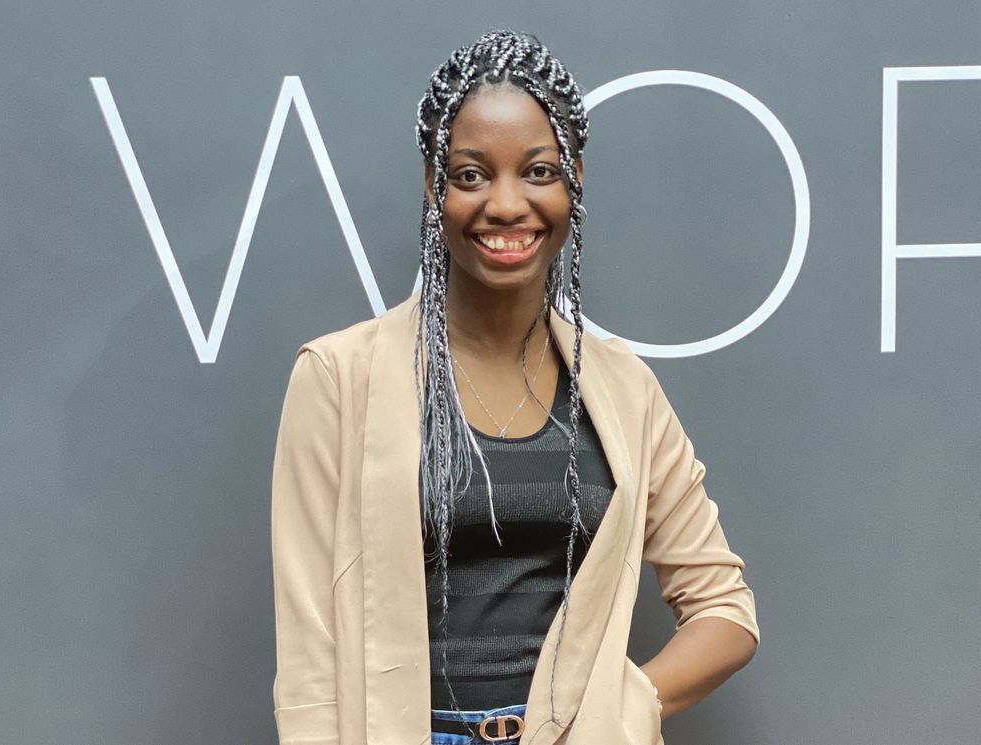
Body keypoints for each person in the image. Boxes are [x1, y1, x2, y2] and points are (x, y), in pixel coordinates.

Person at [270, 29, 759, 745]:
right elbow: (311, 665)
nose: (505, 204)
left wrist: (625, 705)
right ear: (434, 186)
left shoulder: (622, 387)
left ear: (574, 181)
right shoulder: (337, 377)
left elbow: (725, 609)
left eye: (538, 171)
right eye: (471, 175)